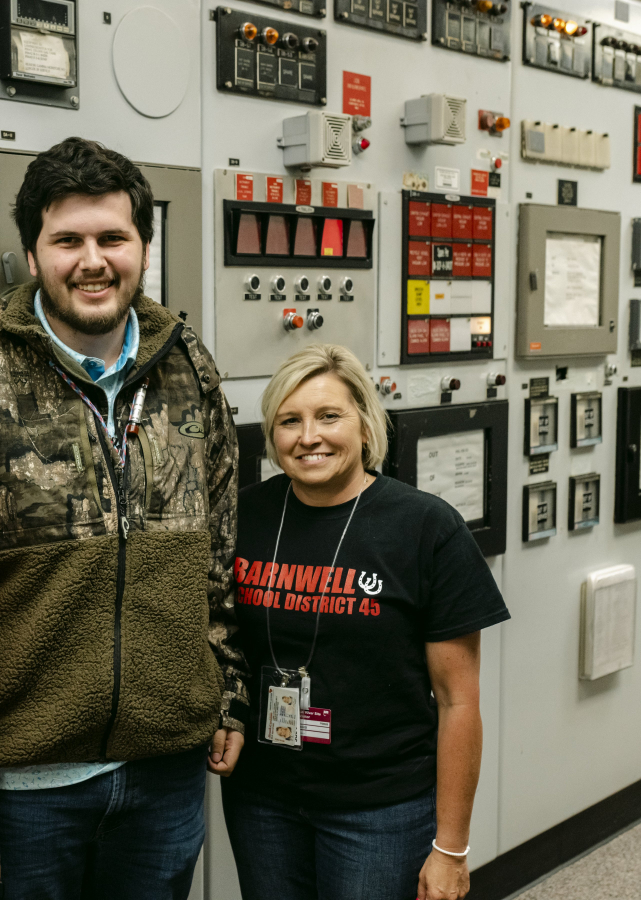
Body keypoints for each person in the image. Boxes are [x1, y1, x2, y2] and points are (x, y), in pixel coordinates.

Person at [0, 136, 247, 899]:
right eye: (66, 240)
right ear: (32, 256)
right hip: (24, 773)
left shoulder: (189, 367)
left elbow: (220, 548)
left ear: (144, 245)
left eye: (112, 237)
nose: (92, 260)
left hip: (167, 762)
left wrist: (228, 689)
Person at [223, 343, 510, 900]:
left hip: (381, 808)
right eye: (290, 420)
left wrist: (451, 847)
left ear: (364, 423)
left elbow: (459, 702)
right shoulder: (245, 516)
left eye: (329, 416)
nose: (309, 437)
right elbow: (221, 641)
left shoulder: (425, 528)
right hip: (264, 799)